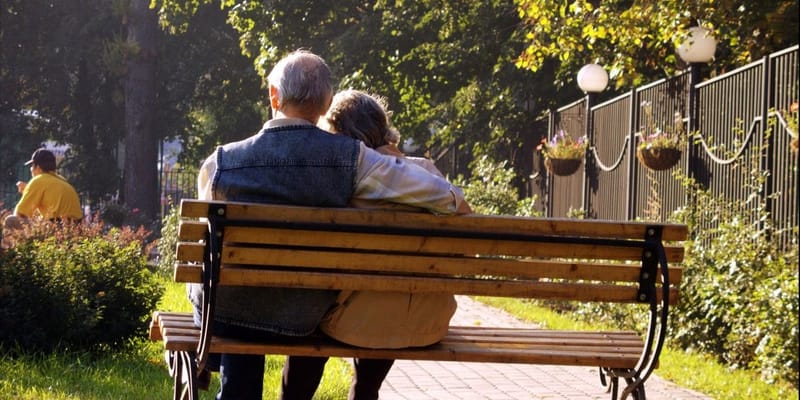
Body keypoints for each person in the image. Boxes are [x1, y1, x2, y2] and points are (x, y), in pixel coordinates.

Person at [190, 49, 470, 400]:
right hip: (300, 320)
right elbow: (448, 199)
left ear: (273, 96)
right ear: (325, 104)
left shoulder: (220, 163)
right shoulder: (353, 159)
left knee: (214, 282)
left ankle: (210, 369)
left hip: (227, 317)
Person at [295, 89, 470, 399]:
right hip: (424, 323)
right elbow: (464, 219)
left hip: (350, 322)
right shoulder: (426, 173)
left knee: (316, 314)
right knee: (384, 301)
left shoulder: (348, 177)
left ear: (337, 133)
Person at [3, 148, 83, 232]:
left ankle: (14, 245)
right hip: (76, 228)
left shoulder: (38, 180)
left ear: (37, 167)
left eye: (31, 166)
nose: (31, 170)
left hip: (56, 228)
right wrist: (27, 191)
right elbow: (44, 215)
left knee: (11, 220)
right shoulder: (63, 181)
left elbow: (20, 214)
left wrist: (27, 192)